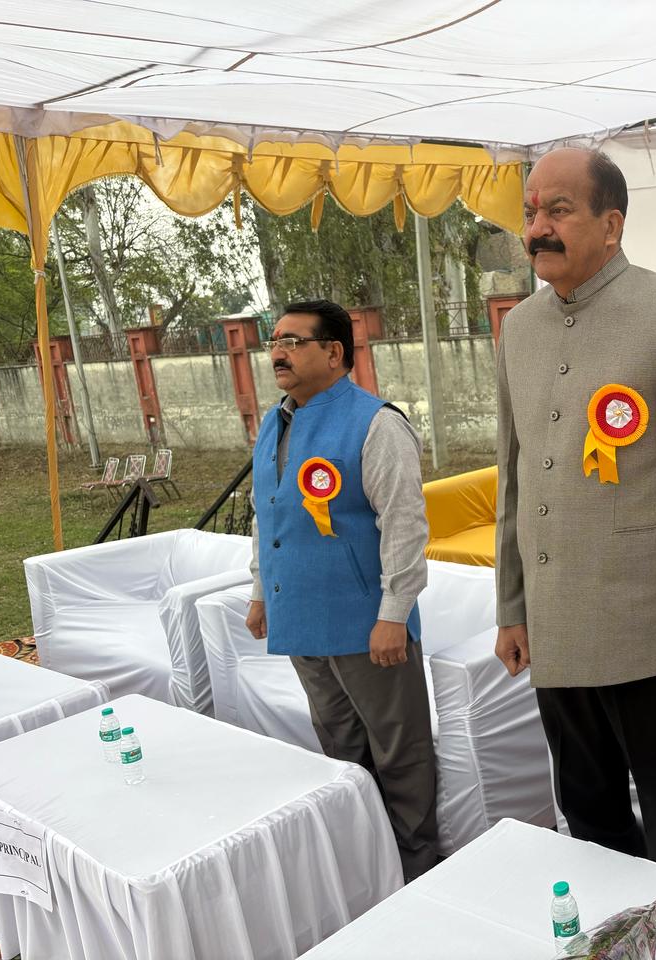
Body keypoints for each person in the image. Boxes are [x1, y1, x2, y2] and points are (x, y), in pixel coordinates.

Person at [493, 147, 656, 869]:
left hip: (652, 639)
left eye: (559, 210)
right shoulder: (520, 328)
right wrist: (512, 606)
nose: (538, 229)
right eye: (531, 213)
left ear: (611, 225)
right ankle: (615, 928)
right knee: (588, 817)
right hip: (555, 629)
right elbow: (516, 475)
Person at [245, 299, 438, 882]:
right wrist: (260, 591)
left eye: (292, 342)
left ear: (334, 353)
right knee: (341, 751)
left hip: (366, 624)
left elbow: (404, 523)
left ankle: (418, 868)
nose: (277, 353)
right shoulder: (275, 422)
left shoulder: (375, 423)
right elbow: (265, 512)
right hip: (301, 615)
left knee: (399, 753)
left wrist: (393, 613)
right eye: (274, 342)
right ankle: (368, 865)